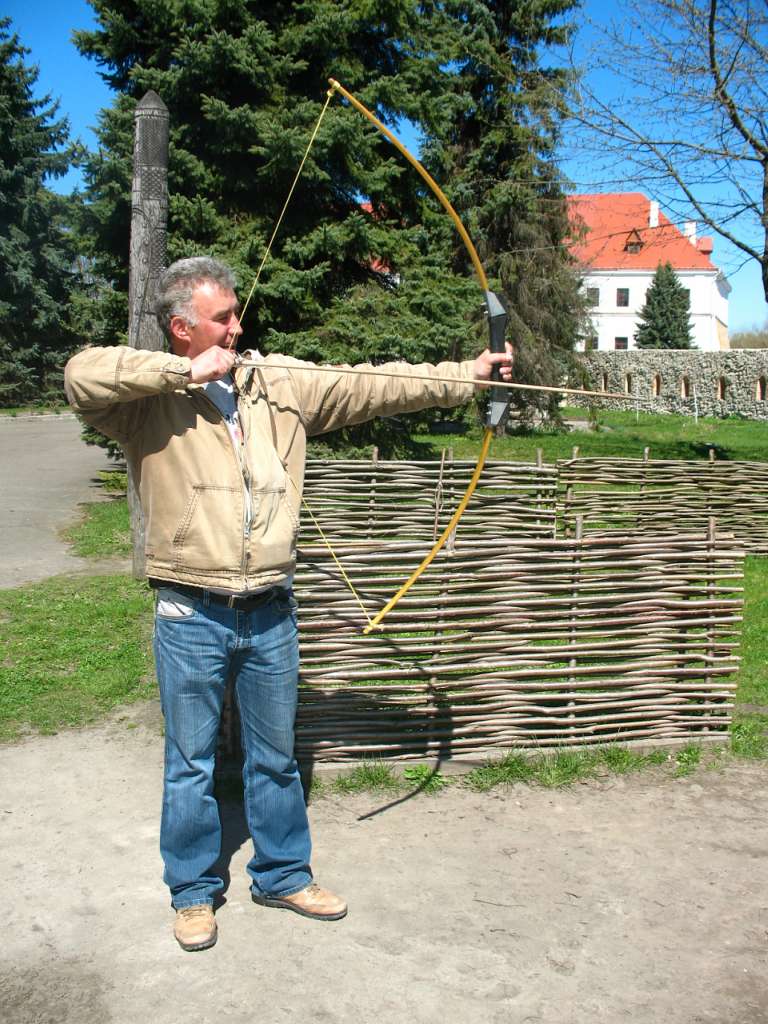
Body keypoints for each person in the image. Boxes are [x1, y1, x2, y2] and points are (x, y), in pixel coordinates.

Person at [64, 256, 513, 952]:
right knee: (190, 761)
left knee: (275, 757)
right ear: (182, 329)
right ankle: (191, 893)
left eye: (235, 314)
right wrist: (182, 372)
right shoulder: (145, 401)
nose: (238, 327)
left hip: (270, 605)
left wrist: (467, 375)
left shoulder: (272, 383)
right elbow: (79, 374)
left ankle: (281, 874)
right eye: (222, 318)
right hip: (190, 609)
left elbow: (373, 385)